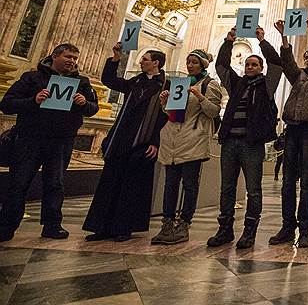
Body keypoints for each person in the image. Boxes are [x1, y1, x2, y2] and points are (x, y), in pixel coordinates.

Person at [0, 44, 98, 242]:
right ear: (54, 56)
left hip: (61, 140)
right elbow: (7, 104)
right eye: (68, 56)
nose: (72, 61)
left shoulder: (82, 82)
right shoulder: (32, 78)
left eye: (75, 58)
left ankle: (52, 225)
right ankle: (7, 225)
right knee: (18, 183)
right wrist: (33, 100)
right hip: (30, 138)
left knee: (55, 184)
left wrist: (84, 103)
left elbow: (93, 108)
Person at [207, 26, 282, 249]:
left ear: (261, 68)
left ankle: (250, 230)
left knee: (254, 189)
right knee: (227, 187)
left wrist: (262, 41)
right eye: (248, 64)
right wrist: (228, 42)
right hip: (230, 140)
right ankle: (225, 229)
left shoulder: (267, 85)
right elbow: (221, 67)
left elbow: (277, 65)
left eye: (254, 65)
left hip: (251, 143)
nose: (250, 67)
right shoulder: (236, 83)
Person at [83, 45, 167, 242]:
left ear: (156, 63)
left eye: (145, 59)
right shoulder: (135, 81)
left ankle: (123, 227)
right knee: (110, 182)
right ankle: (101, 226)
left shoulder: (166, 85)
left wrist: (156, 142)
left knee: (131, 185)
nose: (141, 62)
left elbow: (166, 117)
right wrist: (116, 58)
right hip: (121, 138)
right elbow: (110, 81)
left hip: (143, 140)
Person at [150, 50, 223, 245]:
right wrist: (165, 103)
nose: (190, 65)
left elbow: (213, 111)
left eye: (194, 62)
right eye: (188, 62)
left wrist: (200, 96)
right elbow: (173, 114)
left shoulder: (210, 84)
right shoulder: (179, 84)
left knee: (190, 185)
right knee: (170, 184)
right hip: (174, 139)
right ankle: (166, 224)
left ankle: (184, 224)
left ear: (202, 65)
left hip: (194, 139)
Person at [268, 19, 308, 248]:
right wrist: (284, 36)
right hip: (292, 129)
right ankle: (287, 226)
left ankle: (305, 229)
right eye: (306, 57)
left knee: (306, 182)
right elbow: (287, 62)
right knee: (287, 182)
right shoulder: (299, 77)